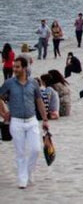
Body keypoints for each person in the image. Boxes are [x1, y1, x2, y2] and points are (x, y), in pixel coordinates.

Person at [0, 57, 49, 189]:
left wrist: (45, 119)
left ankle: (29, 172)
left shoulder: (33, 83)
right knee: (20, 152)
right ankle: (22, 179)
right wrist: (3, 113)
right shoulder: (9, 83)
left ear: (25, 68)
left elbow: (39, 101)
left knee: (36, 149)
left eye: (17, 67)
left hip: (32, 120)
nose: (14, 69)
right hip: (16, 122)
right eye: (14, 67)